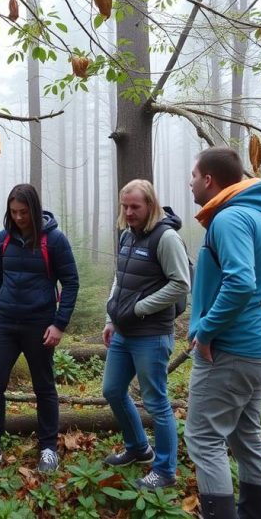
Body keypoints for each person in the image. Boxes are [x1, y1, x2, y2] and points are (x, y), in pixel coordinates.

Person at [184, 147, 261, 519]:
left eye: (193, 176)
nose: (190, 183)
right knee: (245, 437)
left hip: (230, 351)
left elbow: (241, 282)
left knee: (203, 438)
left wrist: (207, 331)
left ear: (209, 180)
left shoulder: (229, 219)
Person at [0, 183, 79, 472]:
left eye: (23, 212)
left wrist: (59, 324)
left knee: (44, 387)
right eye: (13, 212)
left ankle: (48, 448)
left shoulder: (55, 240)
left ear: (34, 210)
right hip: (6, 324)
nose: (19, 217)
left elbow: (71, 282)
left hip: (39, 325)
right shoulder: (4, 239)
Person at [101, 179, 190, 490]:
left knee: (156, 402)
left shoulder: (166, 238)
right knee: (112, 390)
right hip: (124, 331)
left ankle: (165, 471)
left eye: (135, 206)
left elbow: (180, 284)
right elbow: (120, 278)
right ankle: (139, 448)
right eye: (125, 206)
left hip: (151, 334)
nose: (128, 212)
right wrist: (111, 318)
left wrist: (139, 308)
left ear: (150, 205)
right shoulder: (127, 235)